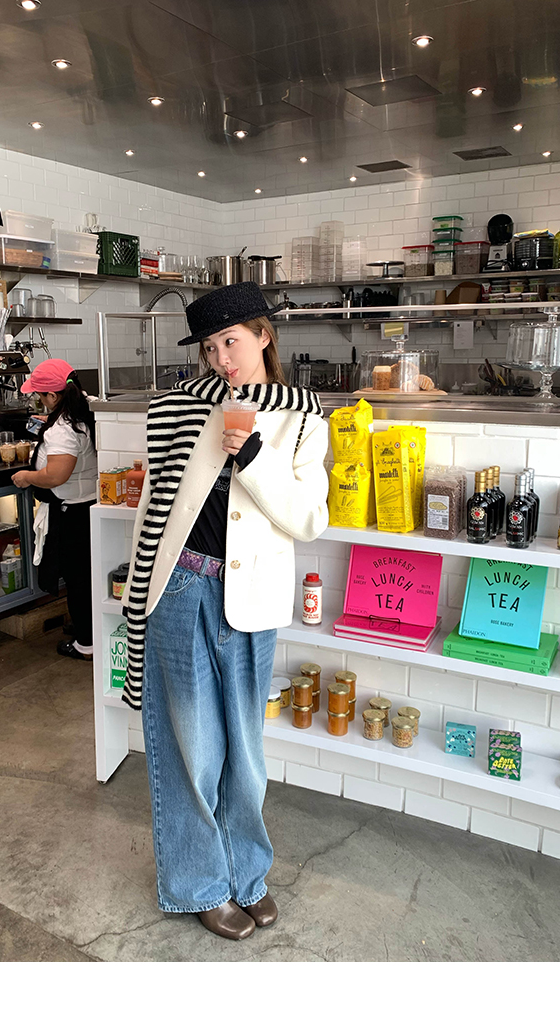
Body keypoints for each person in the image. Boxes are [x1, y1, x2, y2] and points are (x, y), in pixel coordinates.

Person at [122, 282, 329, 941]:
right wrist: (136, 586)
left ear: (264, 335)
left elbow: (309, 519)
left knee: (246, 750)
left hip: (251, 597)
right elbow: (157, 506)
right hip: (181, 588)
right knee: (192, 746)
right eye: (210, 348)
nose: (221, 360)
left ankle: (245, 874)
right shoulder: (181, 408)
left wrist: (255, 455)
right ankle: (198, 883)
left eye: (231, 342)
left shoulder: (303, 417)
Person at [13, 358, 98, 661]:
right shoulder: (85, 408)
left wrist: (27, 476)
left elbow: (56, 475)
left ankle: (86, 644)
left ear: (52, 395)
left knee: (78, 580)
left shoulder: (62, 428)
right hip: (91, 504)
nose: (40, 400)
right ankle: (89, 628)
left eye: (41, 395)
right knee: (88, 575)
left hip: (73, 513)